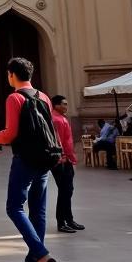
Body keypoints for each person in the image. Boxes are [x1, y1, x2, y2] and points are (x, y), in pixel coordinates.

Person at [0, 56, 59, 262]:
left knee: (14, 207)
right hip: (45, 158)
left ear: (12, 74)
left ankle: (40, 256)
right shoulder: (44, 97)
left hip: (25, 159)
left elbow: (11, 133)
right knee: (38, 210)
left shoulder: (14, 98)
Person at [50, 95, 83, 233]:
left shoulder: (61, 118)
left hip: (66, 159)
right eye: (64, 104)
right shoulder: (56, 119)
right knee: (64, 191)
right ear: (56, 105)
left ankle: (68, 219)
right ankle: (61, 222)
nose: (66, 106)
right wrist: (64, 156)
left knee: (67, 190)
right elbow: (58, 141)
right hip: (61, 160)